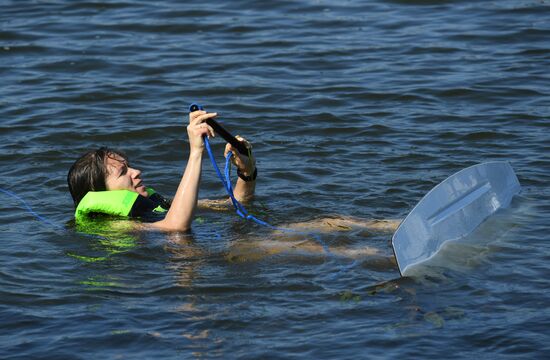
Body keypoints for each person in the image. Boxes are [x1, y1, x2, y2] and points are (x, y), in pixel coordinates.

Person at [67, 108, 257, 232]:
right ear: (103, 193)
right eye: (123, 172)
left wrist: (246, 172)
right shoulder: (111, 225)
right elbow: (175, 226)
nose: (136, 172)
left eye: (129, 166)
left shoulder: (156, 202)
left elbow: (236, 204)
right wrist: (196, 152)